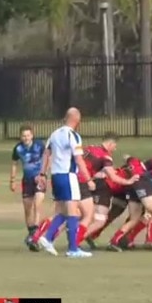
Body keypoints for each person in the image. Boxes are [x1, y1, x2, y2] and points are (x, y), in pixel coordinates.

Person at [37, 108, 93, 258]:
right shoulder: (73, 135)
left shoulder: (54, 134)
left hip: (56, 176)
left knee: (62, 211)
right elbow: (79, 159)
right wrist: (88, 179)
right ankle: (73, 249)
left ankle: (47, 238)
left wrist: (42, 173)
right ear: (76, 119)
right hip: (68, 176)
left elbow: (46, 154)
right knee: (73, 212)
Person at [10, 125, 46, 251]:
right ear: (21, 137)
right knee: (27, 208)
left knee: (38, 203)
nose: (26, 138)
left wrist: (43, 174)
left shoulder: (39, 145)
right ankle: (31, 233)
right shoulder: (18, 148)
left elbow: (47, 158)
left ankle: (36, 232)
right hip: (27, 181)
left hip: (39, 179)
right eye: (23, 136)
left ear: (32, 135)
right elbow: (14, 164)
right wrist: (12, 180)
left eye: (28, 135)